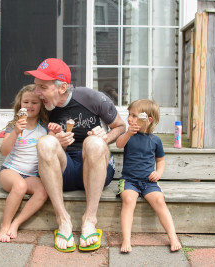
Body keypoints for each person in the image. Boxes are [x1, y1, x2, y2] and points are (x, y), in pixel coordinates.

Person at [24, 58, 126, 252]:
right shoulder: (41, 105)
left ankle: (89, 219)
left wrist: (105, 136)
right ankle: (63, 220)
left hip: (97, 167)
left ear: (62, 88)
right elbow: (25, 128)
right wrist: (56, 142)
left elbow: (121, 127)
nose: (37, 92)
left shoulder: (92, 98)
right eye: (36, 86)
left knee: (94, 142)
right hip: (65, 171)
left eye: (43, 87)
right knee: (46, 143)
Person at [116, 99, 182, 253]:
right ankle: (126, 239)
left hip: (148, 181)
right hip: (129, 180)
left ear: (147, 120)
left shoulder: (155, 140)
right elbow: (119, 144)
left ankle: (173, 237)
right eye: (129, 115)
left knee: (159, 200)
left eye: (134, 116)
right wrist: (127, 133)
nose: (129, 119)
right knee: (128, 200)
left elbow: (161, 161)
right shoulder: (129, 136)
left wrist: (158, 172)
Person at [0, 84, 49, 243]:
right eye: (26, 102)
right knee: (19, 186)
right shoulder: (14, 126)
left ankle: (16, 223)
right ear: (20, 104)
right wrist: (15, 132)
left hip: (31, 175)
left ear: (41, 105)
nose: (30, 106)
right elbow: (4, 151)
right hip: (10, 171)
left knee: (43, 191)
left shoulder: (44, 127)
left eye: (34, 102)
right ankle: (4, 225)